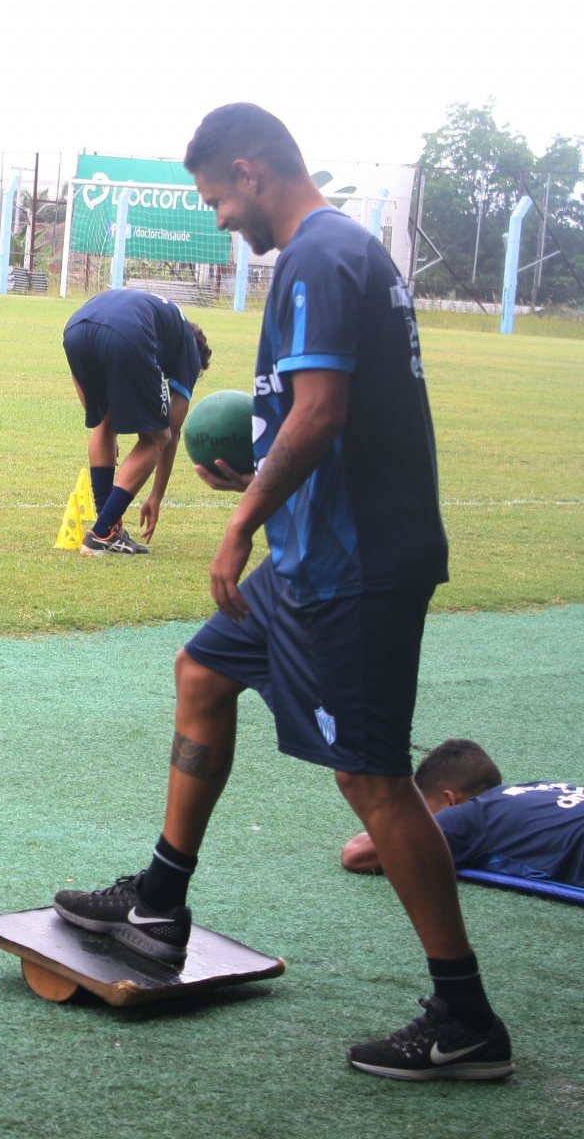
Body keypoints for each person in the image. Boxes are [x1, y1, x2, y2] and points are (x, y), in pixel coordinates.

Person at [51, 104, 513, 1082]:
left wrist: (239, 515)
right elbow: (316, 417)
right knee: (201, 672)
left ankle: (466, 1013)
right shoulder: (342, 253)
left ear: (251, 171)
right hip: (310, 557)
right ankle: (160, 897)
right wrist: (256, 481)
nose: (219, 217)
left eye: (218, 197)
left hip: (354, 566)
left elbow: (321, 410)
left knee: (375, 778)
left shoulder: (318, 254)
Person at [61, 289, 212, 556]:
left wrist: (103, 420)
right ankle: (103, 531)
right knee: (156, 437)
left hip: (75, 328)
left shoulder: (162, 317)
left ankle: (108, 526)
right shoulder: (188, 347)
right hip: (126, 334)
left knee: (104, 423)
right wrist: (156, 496)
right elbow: (171, 432)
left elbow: (94, 409)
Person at [343, 739, 584, 884]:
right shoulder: (537, 787)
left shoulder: (470, 813)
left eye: (425, 809)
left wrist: (402, 810)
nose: (425, 819)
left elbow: (355, 855)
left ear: (449, 799)